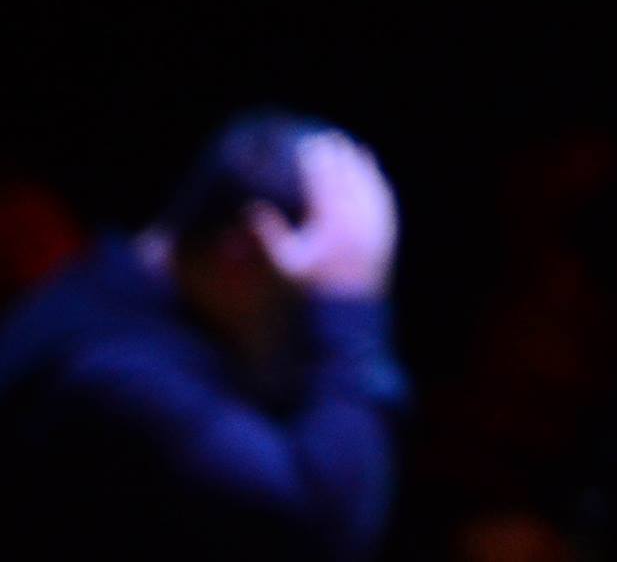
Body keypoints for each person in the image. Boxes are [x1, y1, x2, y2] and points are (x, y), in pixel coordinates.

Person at [0, 111, 405, 560]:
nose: (309, 337)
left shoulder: (104, 292)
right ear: (245, 250)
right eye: (309, 306)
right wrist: (350, 309)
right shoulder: (113, 372)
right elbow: (325, 531)